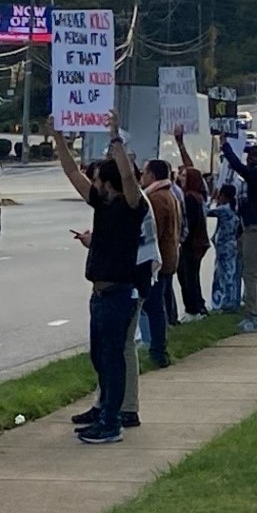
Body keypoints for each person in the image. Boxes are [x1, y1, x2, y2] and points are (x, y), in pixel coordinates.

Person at [53, 114, 149, 445]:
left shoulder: (132, 206)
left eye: (97, 180)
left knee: (111, 357)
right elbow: (71, 173)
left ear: (108, 184)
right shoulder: (102, 206)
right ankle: (105, 411)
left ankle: (112, 421)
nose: (91, 184)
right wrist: (58, 138)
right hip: (99, 294)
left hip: (119, 293)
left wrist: (115, 138)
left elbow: (127, 176)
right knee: (100, 356)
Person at [218, 137, 257, 333]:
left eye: (252, 155)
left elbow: (238, 167)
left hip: (255, 227)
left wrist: (225, 146)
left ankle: (252, 315)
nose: (248, 158)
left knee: (250, 273)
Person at [142, 160, 180, 367]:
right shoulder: (169, 194)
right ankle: (158, 346)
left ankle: (158, 350)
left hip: (157, 260)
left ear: (152, 175)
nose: (142, 176)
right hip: (168, 257)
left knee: (154, 306)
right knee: (157, 305)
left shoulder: (156, 198)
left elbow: (153, 232)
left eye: (145, 172)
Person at [178, 166, 211, 319]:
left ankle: (193, 308)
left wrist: (182, 237)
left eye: (184, 176)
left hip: (192, 243)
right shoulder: (198, 196)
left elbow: (190, 222)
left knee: (188, 276)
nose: (180, 178)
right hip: (197, 242)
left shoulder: (191, 198)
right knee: (192, 275)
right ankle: (198, 305)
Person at [208, 185, 240, 314]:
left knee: (223, 274)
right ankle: (231, 300)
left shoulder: (224, 209)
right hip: (232, 243)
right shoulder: (234, 208)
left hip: (224, 245)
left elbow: (206, 211)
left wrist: (211, 200)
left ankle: (224, 302)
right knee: (230, 272)